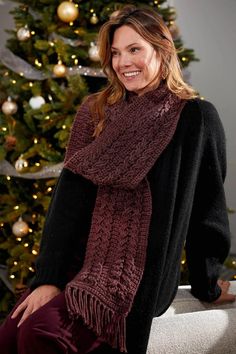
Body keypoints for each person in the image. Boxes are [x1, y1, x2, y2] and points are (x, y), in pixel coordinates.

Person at [0, 5, 235, 354]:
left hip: (135, 279)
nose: (123, 62)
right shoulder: (95, 111)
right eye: (115, 53)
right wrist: (48, 280)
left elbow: (207, 213)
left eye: (134, 49)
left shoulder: (195, 118)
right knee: (9, 332)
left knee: (39, 334)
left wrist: (208, 285)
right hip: (78, 267)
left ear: (162, 49)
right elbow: (68, 206)